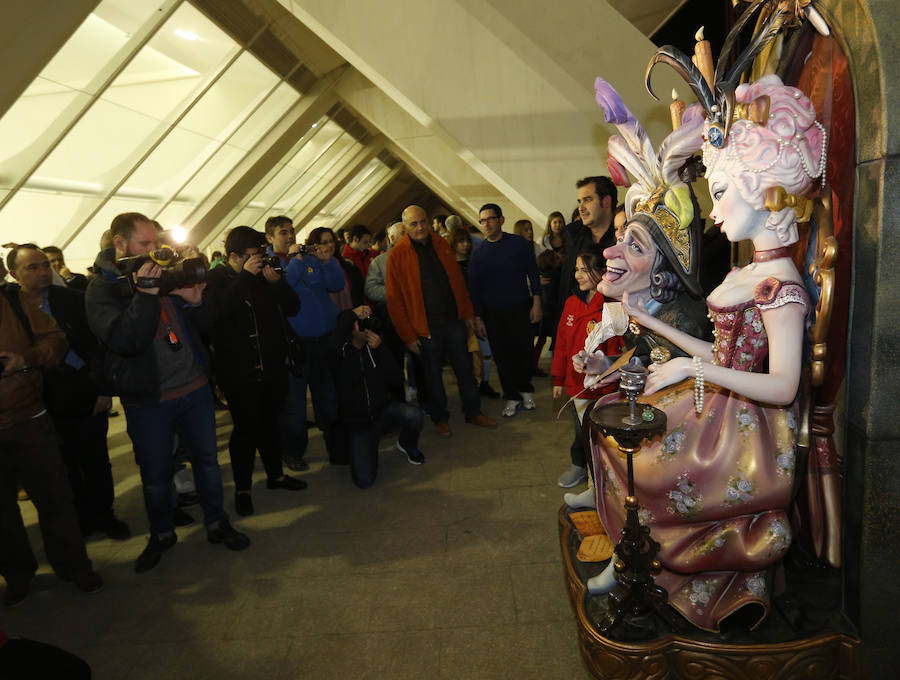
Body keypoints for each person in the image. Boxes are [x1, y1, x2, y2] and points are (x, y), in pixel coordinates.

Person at [582, 75, 822, 632]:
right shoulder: (753, 271)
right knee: (617, 432)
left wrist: (692, 367)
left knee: (639, 454)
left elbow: (784, 386)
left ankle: (648, 566)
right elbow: (721, 349)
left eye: (719, 193)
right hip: (723, 401)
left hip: (751, 427)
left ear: (763, 188)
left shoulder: (778, 283)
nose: (714, 213)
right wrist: (646, 322)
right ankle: (638, 561)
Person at [86, 213, 249, 573]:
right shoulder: (101, 288)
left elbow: (204, 325)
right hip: (148, 398)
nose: (153, 250)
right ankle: (161, 533)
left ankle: (216, 522)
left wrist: (194, 300)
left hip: (194, 387)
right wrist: (145, 293)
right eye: (144, 244)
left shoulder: (164, 269)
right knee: (156, 474)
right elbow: (125, 341)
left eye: (156, 243)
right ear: (119, 243)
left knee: (207, 463)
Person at [6, 245, 128, 541]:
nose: (42, 272)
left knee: (96, 459)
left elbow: (99, 347)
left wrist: (102, 390)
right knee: (64, 465)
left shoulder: (73, 300)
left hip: (84, 390)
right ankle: (81, 519)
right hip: (42, 398)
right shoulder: (11, 310)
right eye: (32, 268)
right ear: (14, 274)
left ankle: (104, 515)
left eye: (44, 266)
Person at [1, 272, 103, 607]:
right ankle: (17, 575)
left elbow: (56, 340)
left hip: (28, 418)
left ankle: (74, 566)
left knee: (55, 497)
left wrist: (25, 360)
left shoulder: (14, 301)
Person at [204, 227, 306, 517]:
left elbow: (293, 307)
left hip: (272, 366)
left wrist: (277, 285)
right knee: (246, 432)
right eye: (252, 257)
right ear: (233, 256)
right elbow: (217, 315)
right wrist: (247, 278)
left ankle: (276, 476)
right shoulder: (215, 280)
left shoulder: (263, 274)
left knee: (271, 424)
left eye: (261, 255)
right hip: (238, 373)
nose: (259, 261)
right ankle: (243, 489)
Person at [386, 205, 497, 437]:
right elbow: (394, 301)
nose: (420, 227)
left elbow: (458, 283)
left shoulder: (441, 244)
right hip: (424, 329)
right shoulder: (397, 255)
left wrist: (468, 315)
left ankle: (473, 412)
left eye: (423, 221)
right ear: (405, 227)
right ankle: (440, 418)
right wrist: (408, 335)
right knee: (432, 377)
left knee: (465, 370)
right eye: (414, 224)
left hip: (454, 322)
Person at [551, 248, 624, 488]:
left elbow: (618, 351)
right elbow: (561, 343)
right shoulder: (572, 302)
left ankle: (603, 482)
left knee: (601, 436)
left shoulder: (612, 306)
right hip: (576, 386)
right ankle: (582, 469)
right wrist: (558, 379)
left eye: (585, 270)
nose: (578, 275)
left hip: (603, 389)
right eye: (576, 270)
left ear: (601, 272)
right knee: (580, 430)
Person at [331, 309, 425, 488]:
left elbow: (397, 379)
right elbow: (335, 339)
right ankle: (366, 447)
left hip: (382, 412)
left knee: (415, 415)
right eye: (359, 324)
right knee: (365, 481)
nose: (366, 329)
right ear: (350, 329)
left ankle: (406, 444)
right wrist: (352, 313)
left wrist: (381, 350)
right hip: (359, 423)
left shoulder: (376, 347)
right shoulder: (340, 353)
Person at [469, 204, 542, 417]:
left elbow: (533, 274)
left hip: (520, 307)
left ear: (501, 220)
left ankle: (525, 390)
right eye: (482, 221)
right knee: (502, 356)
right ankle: (511, 396)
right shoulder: (478, 253)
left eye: (490, 219)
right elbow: (474, 289)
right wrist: (478, 317)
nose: (486, 224)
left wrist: (537, 303)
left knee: (523, 351)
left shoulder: (518, 244)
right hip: (492, 314)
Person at [450, 228, 498, 399]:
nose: (465, 245)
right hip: (459, 317)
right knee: (465, 356)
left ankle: (483, 383)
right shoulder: (450, 267)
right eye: (460, 242)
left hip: (478, 313)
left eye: (467, 241)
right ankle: (471, 387)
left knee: (486, 353)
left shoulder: (474, 263)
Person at [558, 176, 618, 313]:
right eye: (580, 201)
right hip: (576, 318)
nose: (581, 208)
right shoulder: (573, 234)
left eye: (588, 200)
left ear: (606, 201)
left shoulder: (623, 237)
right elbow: (566, 285)